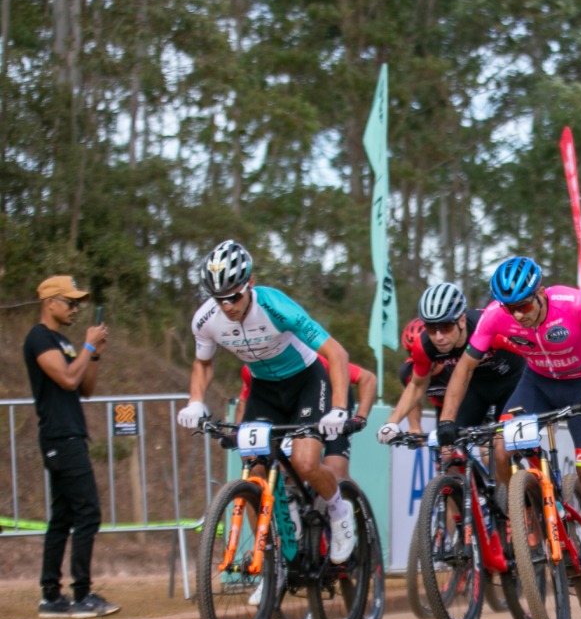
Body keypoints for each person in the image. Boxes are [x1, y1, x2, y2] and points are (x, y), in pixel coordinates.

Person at [438, 256, 581, 607]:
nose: (519, 315)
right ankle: (522, 511)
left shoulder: (573, 303)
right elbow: (464, 368)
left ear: (541, 293)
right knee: (500, 446)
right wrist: (447, 421)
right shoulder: (497, 316)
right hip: (537, 384)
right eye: (511, 308)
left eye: (525, 305)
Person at [177, 240, 360, 562]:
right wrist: (195, 401)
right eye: (219, 299)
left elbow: (336, 353)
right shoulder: (206, 320)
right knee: (254, 471)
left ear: (249, 283)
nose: (228, 306)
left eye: (234, 296)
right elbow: (203, 363)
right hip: (264, 389)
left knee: (305, 463)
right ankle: (272, 557)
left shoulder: (276, 307)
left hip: (306, 380)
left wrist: (339, 408)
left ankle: (338, 510)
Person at [24, 275, 118, 618]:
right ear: (50, 302)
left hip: (71, 435)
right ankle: (82, 594)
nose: (76, 309)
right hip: (59, 437)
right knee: (87, 511)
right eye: (70, 302)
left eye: (78, 303)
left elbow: (84, 388)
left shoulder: (62, 341)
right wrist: (88, 347)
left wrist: (94, 355)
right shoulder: (39, 338)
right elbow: (64, 377)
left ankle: (51, 596)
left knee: (62, 517)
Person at [377, 283, 524, 478]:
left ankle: (525, 499)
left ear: (462, 320)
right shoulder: (424, 346)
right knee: (446, 446)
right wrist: (392, 422)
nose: (438, 337)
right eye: (431, 327)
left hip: (513, 384)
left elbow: (534, 355)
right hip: (475, 388)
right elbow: (417, 385)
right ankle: (472, 499)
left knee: (500, 450)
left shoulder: (488, 328)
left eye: (446, 327)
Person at [239, 356, 377, 480]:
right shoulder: (253, 369)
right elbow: (244, 403)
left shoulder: (312, 361)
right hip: (295, 405)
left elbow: (367, 378)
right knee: (266, 465)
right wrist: (238, 432)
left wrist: (360, 417)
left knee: (336, 471)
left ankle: (352, 505)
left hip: (333, 403)